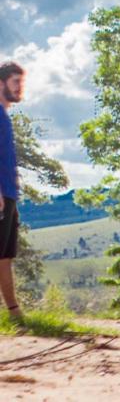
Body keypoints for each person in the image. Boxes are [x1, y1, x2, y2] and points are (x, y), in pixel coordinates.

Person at [0, 61, 25, 321]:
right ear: (1, 83)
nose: (20, 87)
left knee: (5, 256)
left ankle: (14, 313)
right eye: (15, 82)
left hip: (9, 195)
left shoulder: (4, 117)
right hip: (1, 194)